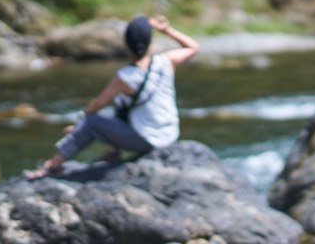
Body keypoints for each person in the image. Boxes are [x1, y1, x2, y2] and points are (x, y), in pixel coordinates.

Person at [25, 15, 199, 179]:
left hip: (148, 141)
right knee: (123, 104)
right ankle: (112, 151)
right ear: (149, 42)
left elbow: (98, 103)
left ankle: (52, 166)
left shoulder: (125, 76)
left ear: (127, 44)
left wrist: (81, 123)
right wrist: (167, 30)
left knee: (94, 121)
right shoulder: (165, 61)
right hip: (169, 134)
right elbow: (193, 47)